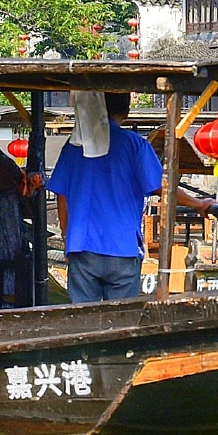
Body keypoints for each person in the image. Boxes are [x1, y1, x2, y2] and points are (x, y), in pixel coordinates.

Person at [49, 91, 164, 303]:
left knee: (84, 322)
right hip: (122, 247)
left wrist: (67, 237)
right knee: (121, 321)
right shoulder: (135, 144)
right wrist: (199, 203)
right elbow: (161, 189)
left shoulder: (74, 146)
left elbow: (61, 196)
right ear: (127, 112)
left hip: (82, 247)